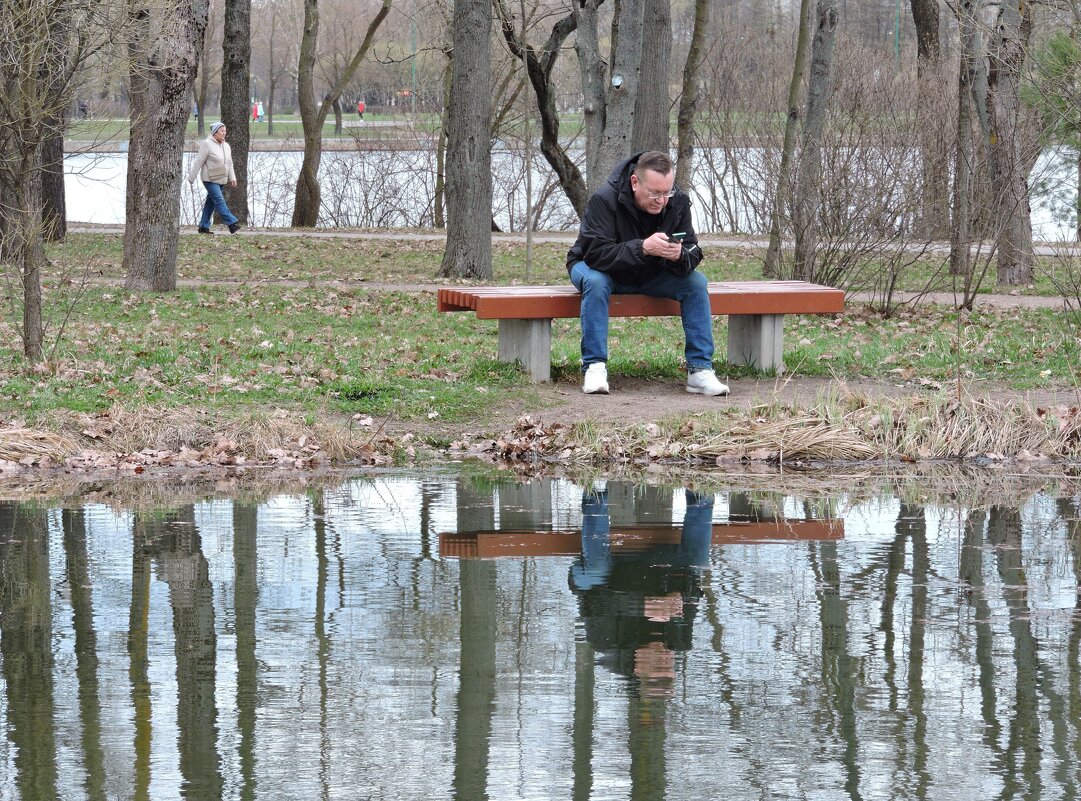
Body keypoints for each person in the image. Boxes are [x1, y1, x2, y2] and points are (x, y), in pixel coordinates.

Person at [566, 150, 728, 396]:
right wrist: (642, 248)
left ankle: (699, 370)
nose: (661, 200)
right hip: (595, 267)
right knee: (596, 282)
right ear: (634, 182)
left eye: (666, 192)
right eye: (654, 192)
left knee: (696, 283)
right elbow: (595, 254)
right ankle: (594, 367)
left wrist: (679, 255)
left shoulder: (678, 201)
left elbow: (693, 248)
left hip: (650, 271)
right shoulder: (604, 199)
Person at [186, 121, 241, 235]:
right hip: (209, 178)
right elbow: (199, 161)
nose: (224, 133)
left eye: (225, 131)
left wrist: (232, 178)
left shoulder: (226, 146)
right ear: (215, 132)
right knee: (219, 200)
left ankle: (203, 227)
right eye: (222, 131)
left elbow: (229, 163)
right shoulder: (207, 144)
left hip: (221, 178)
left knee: (211, 203)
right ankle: (232, 224)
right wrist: (191, 178)